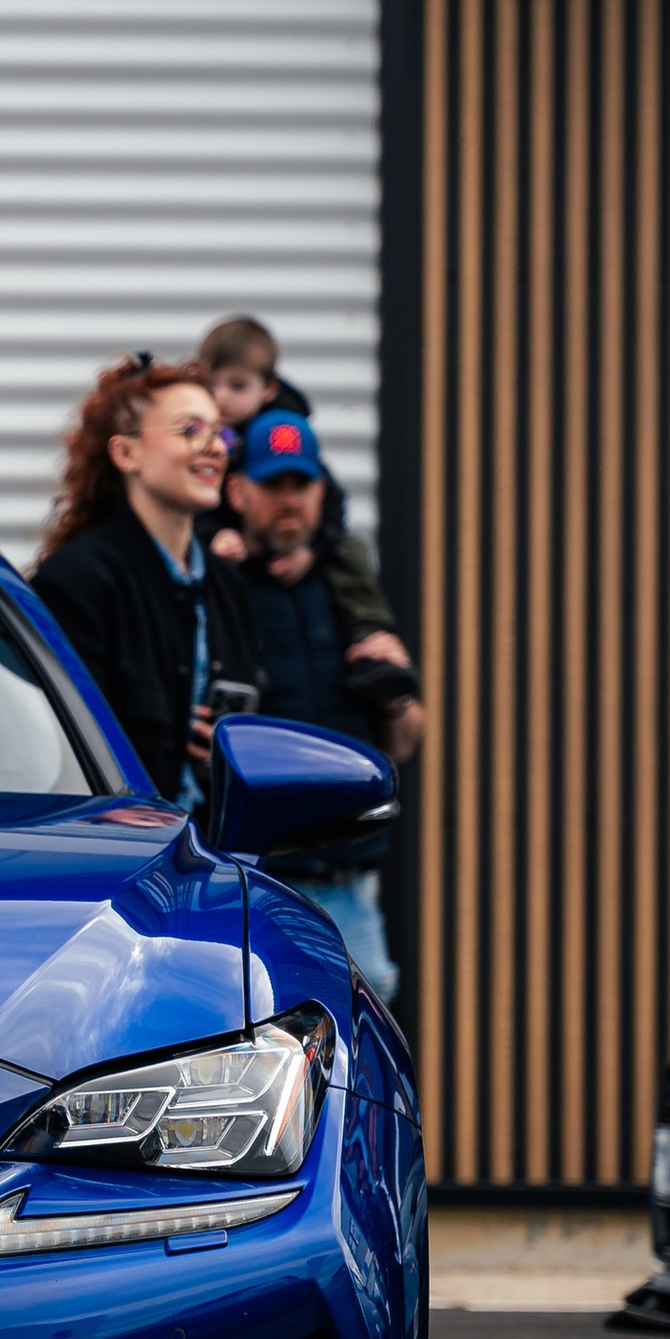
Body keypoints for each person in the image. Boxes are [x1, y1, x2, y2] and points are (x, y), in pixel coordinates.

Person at [222, 411, 423, 1000]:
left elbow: (405, 740)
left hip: (349, 884)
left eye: (300, 484)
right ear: (238, 492)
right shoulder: (219, 588)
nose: (289, 500)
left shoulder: (344, 587)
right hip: (258, 886)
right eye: (273, 484)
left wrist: (395, 690)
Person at [30, 356, 261, 811]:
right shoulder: (77, 581)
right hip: (116, 860)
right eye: (190, 430)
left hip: (210, 865)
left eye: (220, 432)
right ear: (126, 453)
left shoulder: (230, 588)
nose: (215, 447)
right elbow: (60, 757)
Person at [197, 311, 399, 644]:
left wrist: (312, 551)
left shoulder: (285, 431)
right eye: (211, 384)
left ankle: (371, 636)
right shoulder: (206, 434)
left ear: (268, 389)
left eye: (237, 385)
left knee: (348, 552)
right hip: (235, 551)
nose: (220, 397)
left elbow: (331, 500)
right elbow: (192, 501)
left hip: (291, 547)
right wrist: (213, 535)